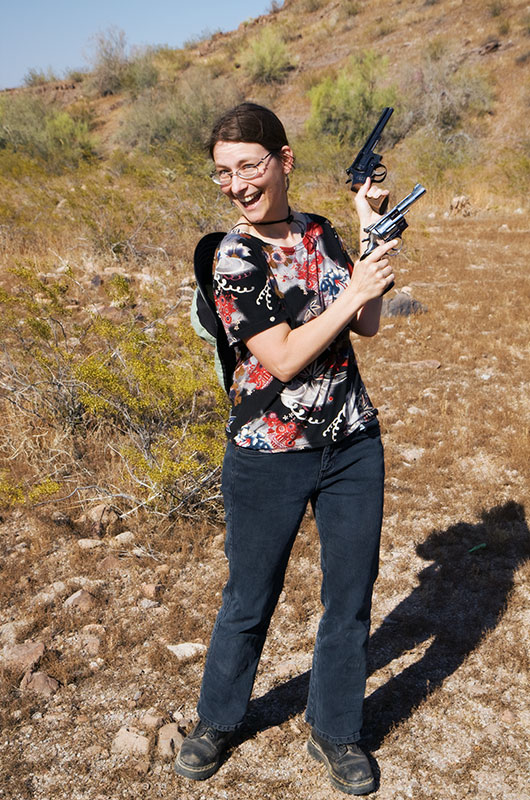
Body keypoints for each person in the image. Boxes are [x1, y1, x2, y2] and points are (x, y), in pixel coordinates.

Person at [175, 102, 396, 796]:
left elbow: (367, 325)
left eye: (248, 165)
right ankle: (217, 719)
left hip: (353, 442)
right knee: (249, 595)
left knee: (350, 598)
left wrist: (369, 227)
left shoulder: (322, 233)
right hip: (268, 452)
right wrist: (352, 290)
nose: (237, 183)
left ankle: (335, 732)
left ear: (284, 160)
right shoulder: (230, 256)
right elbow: (286, 357)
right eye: (223, 172)